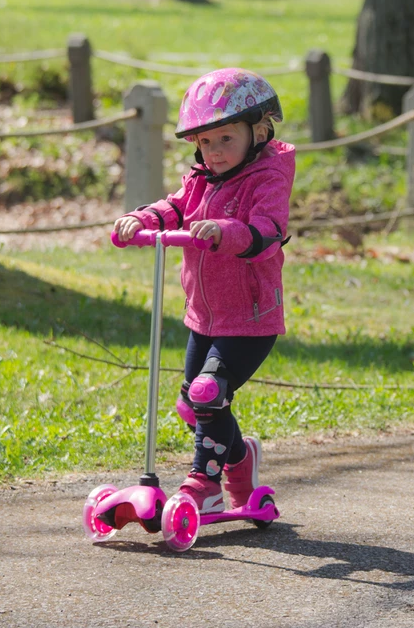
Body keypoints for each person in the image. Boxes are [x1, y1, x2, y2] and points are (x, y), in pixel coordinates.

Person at [114, 68, 295, 514]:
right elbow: (176, 206)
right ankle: (240, 461)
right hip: (204, 317)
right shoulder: (201, 177)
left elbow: (266, 231)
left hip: (250, 319)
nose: (213, 152)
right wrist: (144, 219)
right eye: (205, 142)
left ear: (259, 131)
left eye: (225, 139)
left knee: (208, 392)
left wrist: (225, 231)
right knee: (191, 406)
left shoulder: (267, 178)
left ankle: (205, 484)